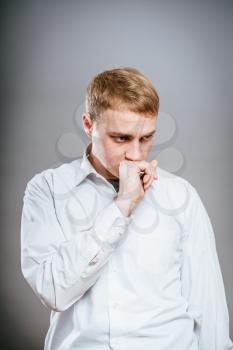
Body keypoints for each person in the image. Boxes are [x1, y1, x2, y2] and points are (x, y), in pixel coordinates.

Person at [21, 67, 233, 350]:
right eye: (121, 138)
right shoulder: (46, 190)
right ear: (88, 124)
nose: (135, 154)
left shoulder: (181, 196)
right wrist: (122, 206)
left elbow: (209, 309)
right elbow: (54, 291)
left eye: (146, 138)